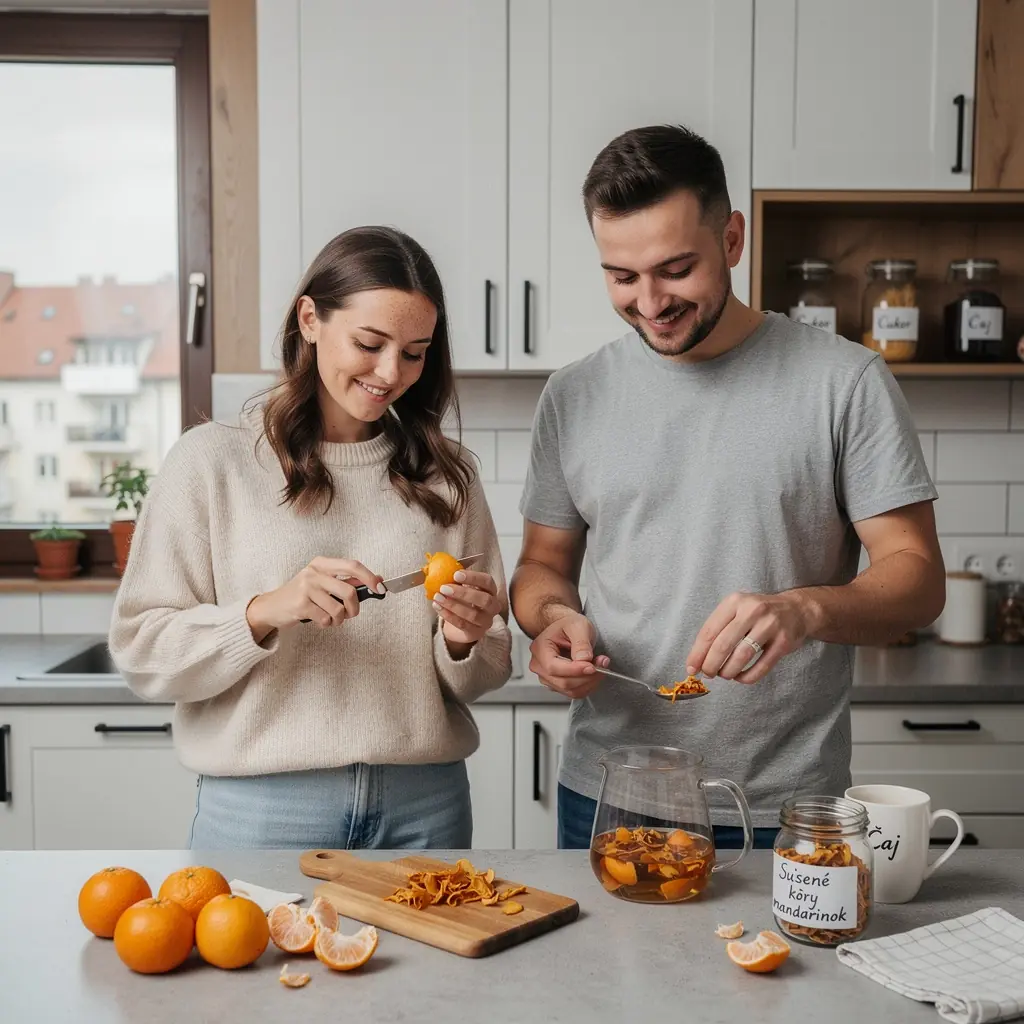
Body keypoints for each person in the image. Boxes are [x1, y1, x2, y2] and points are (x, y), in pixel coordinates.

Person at [510, 125, 945, 850]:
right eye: (621, 275)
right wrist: (552, 619)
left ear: (733, 239)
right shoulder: (574, 394)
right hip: (609, 794)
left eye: (675, 269)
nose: (649, 301)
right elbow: (541, 568)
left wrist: (804, 610)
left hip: (781, 807)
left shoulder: (845, 384)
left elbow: (919, 580)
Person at [109, 225, 512, 850]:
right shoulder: (211, 462)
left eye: (414, 352)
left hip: (425, 807)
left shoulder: (449, 473)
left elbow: (486, 669)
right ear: (310, 319)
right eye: (370, 343)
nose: (390, 372)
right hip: (263, 809)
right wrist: (265, 612)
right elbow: (142, 651)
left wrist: (464, 640)